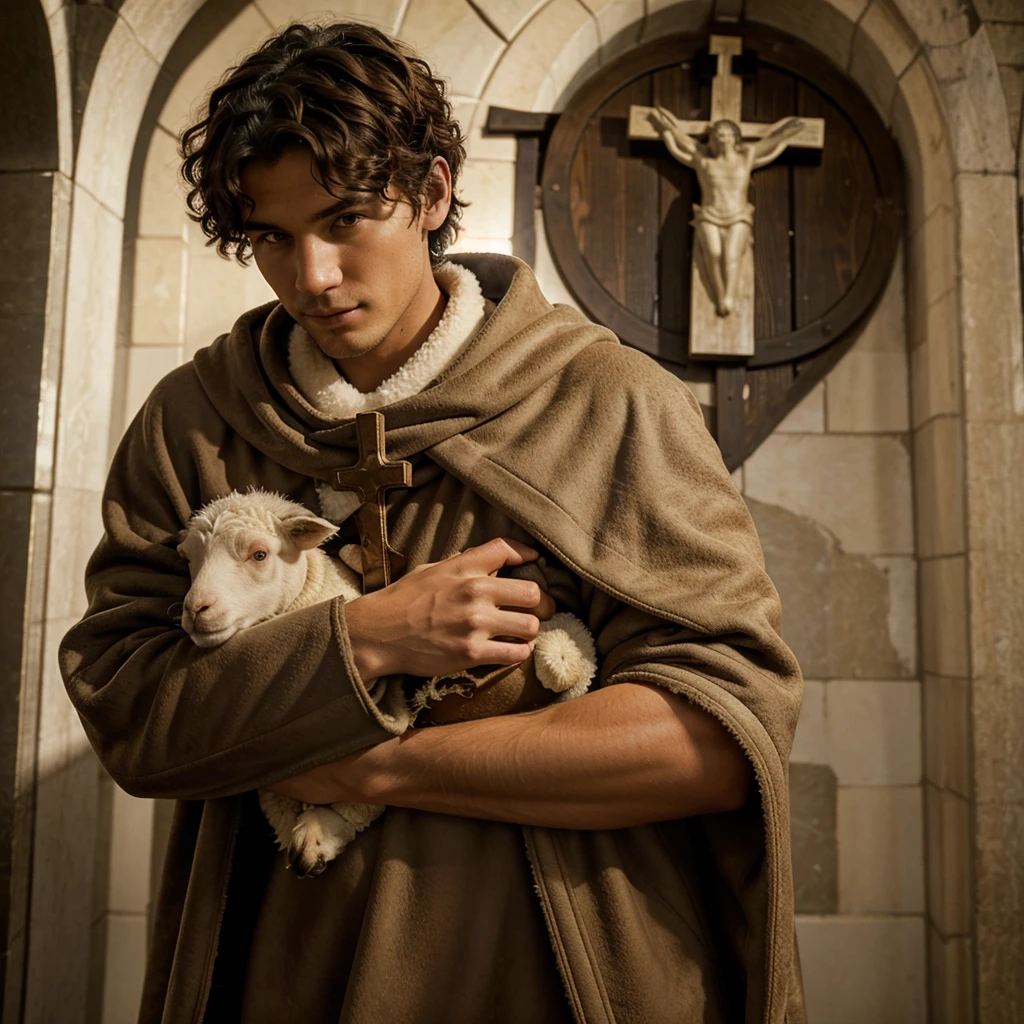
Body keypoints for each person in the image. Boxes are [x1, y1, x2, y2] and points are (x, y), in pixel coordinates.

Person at [60, 21, 806, 1024]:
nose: (311, 276)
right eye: (272, 237)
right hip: (283, 969)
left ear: (433, 192)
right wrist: (366, 639)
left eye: (344, 219)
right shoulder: (196, 426)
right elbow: (132, 717)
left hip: (561, 970)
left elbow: (719, 740)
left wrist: (372, 764)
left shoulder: (607, 401)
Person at [651, 109, 804, 316]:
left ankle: (728, 296)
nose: (724, 138)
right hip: (709, 214)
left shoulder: (746, 158)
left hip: (738, 214)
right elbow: (681, 148)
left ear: (735, 137)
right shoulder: (704, 162)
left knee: (732, 255)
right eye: (719, 134)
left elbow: (768, 148)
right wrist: (669, 132)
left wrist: (784, 135)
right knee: (713, 253)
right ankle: (719, 293)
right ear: (713, 139)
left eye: (728, 134)